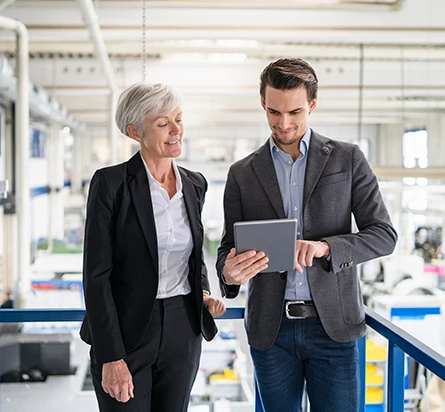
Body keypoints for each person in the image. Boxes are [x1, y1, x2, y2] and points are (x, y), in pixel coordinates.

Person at [216, 58, 398, 411]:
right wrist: (228, 271)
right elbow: (228, 247)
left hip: (334, 328)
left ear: (312, 105)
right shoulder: (242, 173)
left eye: (295, 112)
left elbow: (384, 235)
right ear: (262, 104)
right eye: (274, 112)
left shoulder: (347, 159)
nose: (284, 123)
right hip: (272, 331)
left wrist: (326, 248)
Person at [80, 82, 226, 412]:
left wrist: (201, 292)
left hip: (182, 328)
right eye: (162, 123)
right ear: (135, 132)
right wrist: (112, 356)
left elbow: (193, 255)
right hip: (126, 331)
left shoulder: (195, 183)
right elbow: (96, 277)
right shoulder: (110, 184)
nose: (176, 130)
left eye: (178, 118)